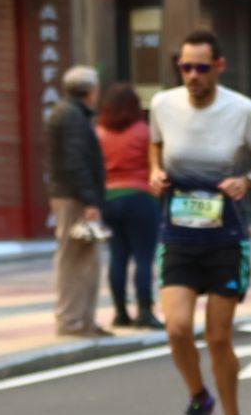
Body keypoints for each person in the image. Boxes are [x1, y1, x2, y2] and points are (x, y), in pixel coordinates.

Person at [148, 29, 251, 415]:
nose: (191, 76)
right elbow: (155, 145)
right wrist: (154, 172)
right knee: (177, 327)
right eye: (184, 67)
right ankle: (198, 397)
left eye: (201, 68)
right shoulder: (162, 104)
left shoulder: (241, 109)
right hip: (178, 233)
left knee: (218, 336)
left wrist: (249, 180)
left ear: (218, 67)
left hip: (224, 237)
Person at [46, 65, 111, 338]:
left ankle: (83, 320)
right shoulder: (72, 116)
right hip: (74, 197)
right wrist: (89, 199)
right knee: (74, 258)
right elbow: (75, 161)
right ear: (91, 90)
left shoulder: (71, 113)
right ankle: (72, 321)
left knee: (86, 258)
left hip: (73, 194)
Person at [96, 82, 163, 329]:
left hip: (109, 199)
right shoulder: (143, 131)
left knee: (117, 257)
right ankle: (145, 311)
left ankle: (120, 312)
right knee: (144, 258)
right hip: (140, 197)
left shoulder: (99, 132)